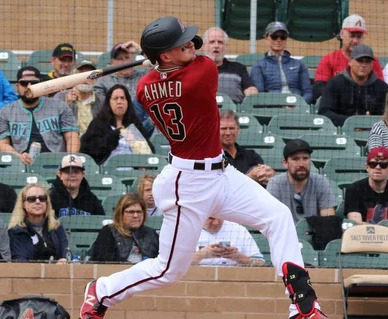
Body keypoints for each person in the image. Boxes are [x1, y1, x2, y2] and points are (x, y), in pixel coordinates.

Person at [79, 16, 328, 319]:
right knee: (169, 270)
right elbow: (198, 55)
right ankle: (101, 290)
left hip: (221, 175)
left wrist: (160, 65)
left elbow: (174, 66)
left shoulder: (145, 87)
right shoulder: (204, 73)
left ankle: (302, 303)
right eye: (178, 43)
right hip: (189, 184)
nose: (189, 43)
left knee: (278, 216)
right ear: (166, 55)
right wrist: (162, 62)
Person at [0, 66, 80, 166]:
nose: (29, 86)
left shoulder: (60, 106)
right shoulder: (6, 111)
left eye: (34, 83)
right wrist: (18, 156)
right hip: (20, 165)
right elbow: (1, 143)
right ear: (17, 86)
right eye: (24, 83)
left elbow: (72, 137)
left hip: (56, 164)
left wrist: (70, 162)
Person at [313, 14, 385, 102]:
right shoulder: (329, 59)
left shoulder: (373, 61)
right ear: (342, 34)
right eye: (352, 35)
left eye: (359, 37)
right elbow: (319, 88)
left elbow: (380, 89)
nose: (355, 40)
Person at [80, 84, 154, 166]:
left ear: (128, 102)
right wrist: (114, 135)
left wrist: (134, 138)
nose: (119, 102)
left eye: (122, 98)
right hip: (106, 172)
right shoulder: (98, 124)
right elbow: (91, 151)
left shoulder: (135, 124)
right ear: (109, 103)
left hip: (134, 171)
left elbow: (150, 151)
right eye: (115, 98)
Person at [267, 140, 337, 224]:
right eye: (295, 159)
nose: (301, 164)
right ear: (285, 163)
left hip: (315, 234)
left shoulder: (321, 182)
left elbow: (329, 223)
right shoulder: (275, 184)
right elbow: (273, 222)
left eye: (305, 158)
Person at [318, 44, 388, 127]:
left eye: (367, 61)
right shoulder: (335, 83)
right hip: (339, 131)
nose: (363, 65)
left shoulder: (382, 88)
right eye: (360, 60)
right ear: (350, 62)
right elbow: (324, 112)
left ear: (372, 64)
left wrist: (371, 121)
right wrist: (352, 122)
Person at [94, 42, 153, 136]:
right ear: (112, 63)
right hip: (115, 125)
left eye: (127, 58)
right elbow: (101, 108)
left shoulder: (144, 75)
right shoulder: (103, 81)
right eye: (120, 59)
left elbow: (160, 65)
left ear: (133, 60)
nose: (124, 62)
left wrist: (140, 50)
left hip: (145, 125)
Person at [344, 147, 388, 224]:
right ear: (367, 167)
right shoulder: (354, 189)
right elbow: (356, 224)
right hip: (362, 235)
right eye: (373, 164)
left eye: (383, 165)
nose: (378, 167)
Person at [250, 22, 312, 104]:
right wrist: (280, 106)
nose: (278, 40)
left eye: (283, 36)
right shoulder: (258, 66)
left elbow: (307, 91)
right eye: (274, 36)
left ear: (286, 39)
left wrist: (300, 105)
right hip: (272, 108)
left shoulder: (299, 64)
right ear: (266, 38)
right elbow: (260, 95)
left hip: (298, 107)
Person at [90, 193, 159, 263]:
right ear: (121, 213)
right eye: (131, 212)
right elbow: (101, 262)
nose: (135, 215)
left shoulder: (151, 234)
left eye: (139, 212)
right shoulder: (109, 232)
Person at [8, 183, 68, 263]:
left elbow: (64, 255)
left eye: (42, 198)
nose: (38, 201)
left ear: (47, 203)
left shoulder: (57, 227)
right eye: (32, 199)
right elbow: (21, 263)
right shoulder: (16, 232)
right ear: (23, 204)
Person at [202, 27, 258, 104]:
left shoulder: (238, 68)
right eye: (212, 42)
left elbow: (251, 90)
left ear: (226, 46)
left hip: (232, 113)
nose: (216, 45)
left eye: (220, 42)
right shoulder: (194, 68)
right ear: (204, 46)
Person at [219, 109, 275, 186]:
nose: (228, 133)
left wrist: (268, 173)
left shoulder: (252, 156)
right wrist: (249, 177)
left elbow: (263, 180)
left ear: (238, 129)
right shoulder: (213, 159)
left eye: (232, 128)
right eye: (223, 128)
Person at [54, 58, 105, 134]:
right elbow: (52, 126)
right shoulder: (60, 97)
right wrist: (65, 105)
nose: (86, 78)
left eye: (90, 75)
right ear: (73, 76)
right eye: (81, 74)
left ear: (96, 78)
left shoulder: (102, 100)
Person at [191, 217, 264, 267]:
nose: (216, 222)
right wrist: (200, 255)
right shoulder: (189, 230)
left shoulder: (239, 230)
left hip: (233, 279)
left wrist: (238, 257)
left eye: (219, 217)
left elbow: (261, 263)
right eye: (211, 218)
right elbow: (179, 264)